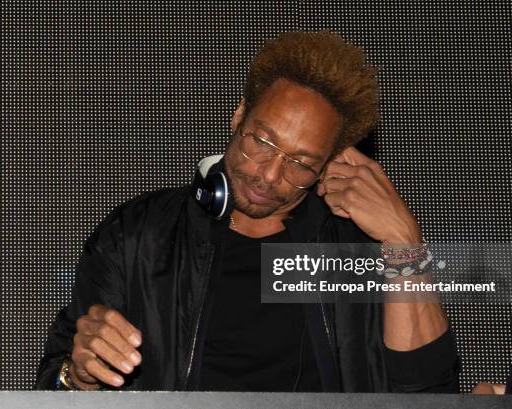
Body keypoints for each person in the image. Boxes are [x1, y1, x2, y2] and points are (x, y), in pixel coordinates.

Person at [35, 31, 459, 392]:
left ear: (329, 165)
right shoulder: (137, 235)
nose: (269, 175)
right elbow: (52, 385)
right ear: (240, 115)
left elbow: (431, 394)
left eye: (301, 162)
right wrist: (79, 376)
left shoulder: (358, 252)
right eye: (263, 142)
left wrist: (406, 241)